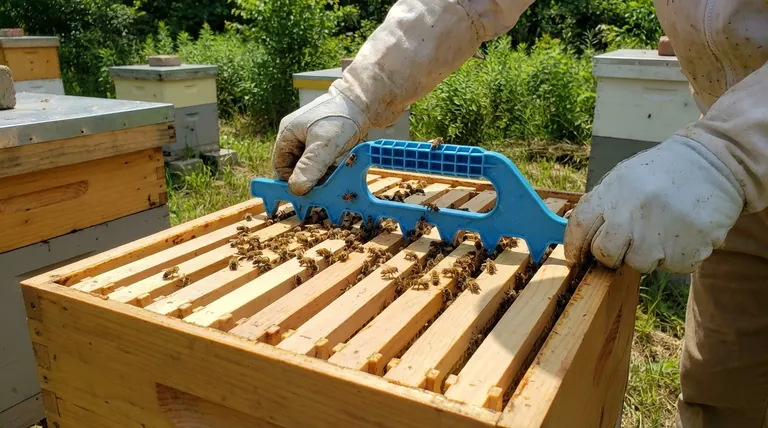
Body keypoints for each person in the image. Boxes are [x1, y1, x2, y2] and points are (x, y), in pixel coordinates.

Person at [270, 0, 768, 426]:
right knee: (724, 387)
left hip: (732, 151)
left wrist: (734, 151)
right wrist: (357, 94)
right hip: (728, 170)